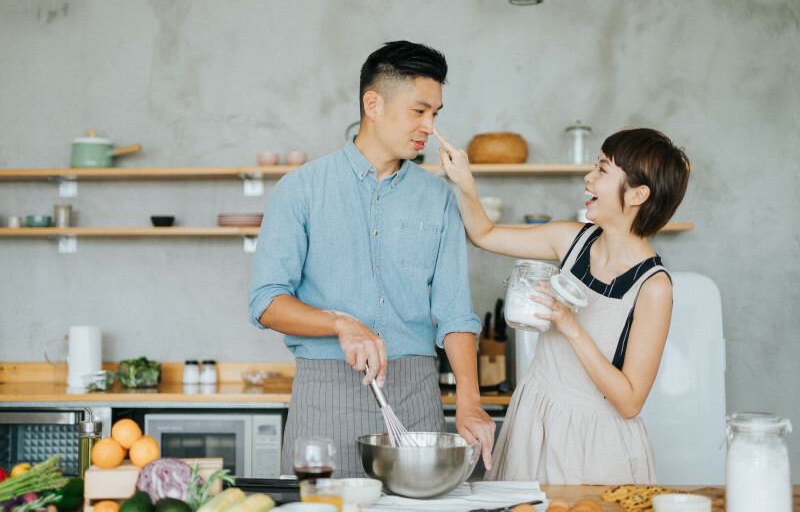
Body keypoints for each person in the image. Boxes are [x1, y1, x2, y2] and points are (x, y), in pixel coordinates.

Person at [249, 40, 495, 478]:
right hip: (324, 398)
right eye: (419, 111)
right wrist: (342, 323)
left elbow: (456, 312)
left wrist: (470, 402)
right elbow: (266, 302)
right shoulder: (300, 189)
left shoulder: (439, 198)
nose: (430, 127)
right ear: (373, 103)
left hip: (416, 396)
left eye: (436, 114)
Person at [434, 126, 690, 484]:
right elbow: (484, 235)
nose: (589, 177)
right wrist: (465, 183)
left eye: (602, 169)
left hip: (596, 444)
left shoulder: (653, 286)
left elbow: (630, 401)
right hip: (533, 419)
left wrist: (570, 326)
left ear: (637, 194)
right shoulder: (571, 240)